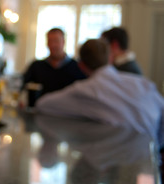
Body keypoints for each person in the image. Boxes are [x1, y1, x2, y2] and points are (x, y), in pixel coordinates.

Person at [36, 39, 164, 150]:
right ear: (110, 58)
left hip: (120, 154)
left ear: (81, 65)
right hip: (149, 157)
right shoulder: (143, 83)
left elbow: (43, 104)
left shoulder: (84, 90)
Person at [22, 28, 86, 100]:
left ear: (63, 42)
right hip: (40, 109)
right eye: (50, 41)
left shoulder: (77, 67)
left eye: (56, 41)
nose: (52, 45)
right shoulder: (36, 66)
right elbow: (21, 85)